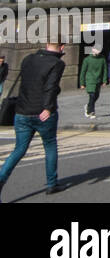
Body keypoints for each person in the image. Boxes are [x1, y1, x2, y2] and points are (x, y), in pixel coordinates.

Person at [0, 40, 69, 199]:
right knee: (50, 146)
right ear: (61, 47)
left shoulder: (28, 59)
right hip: (43, 113)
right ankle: (52, 184)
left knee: (19, 150)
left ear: (46, 45)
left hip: (22, 111)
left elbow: (29, 83)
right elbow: (50, 86)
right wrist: (47, 107)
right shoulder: (57, 63)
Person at [78, 46, 108, 117]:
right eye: (96, 50)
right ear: (93, 49)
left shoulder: (102, 59)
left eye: (99, 50)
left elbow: (105, 70)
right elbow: (83, 72)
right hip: (90, 81)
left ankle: (88, 106)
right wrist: (82, 83)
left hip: (98, 80)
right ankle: (91, 112)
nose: (98, 51)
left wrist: (104, 80)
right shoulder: (87, 60)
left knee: (96, 96)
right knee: (92, 95)